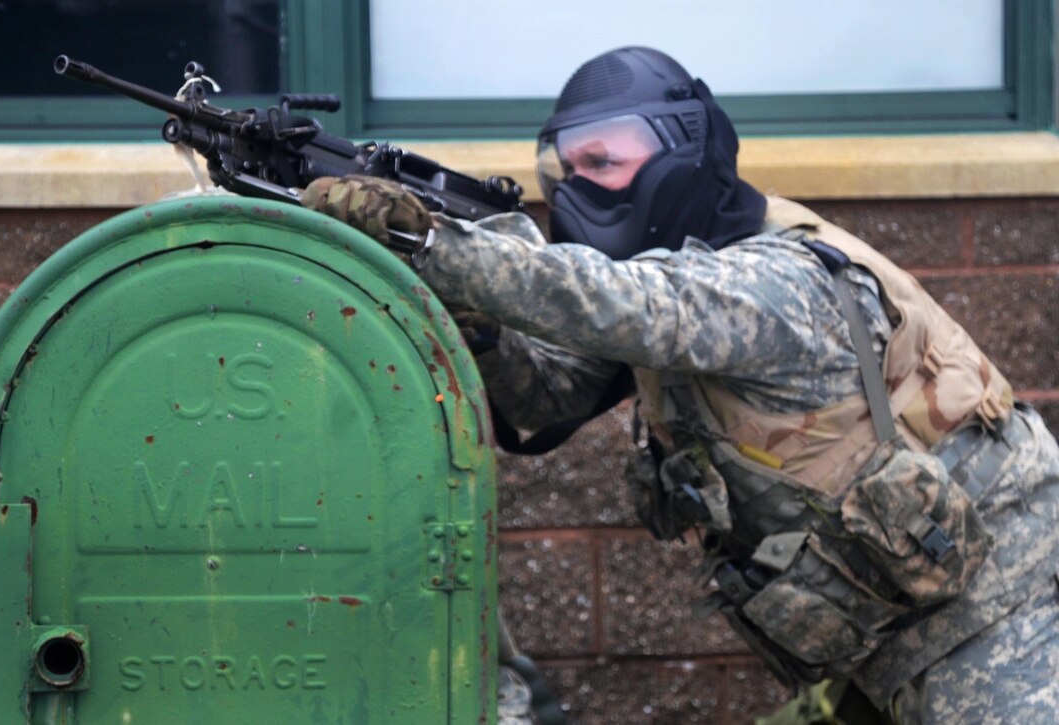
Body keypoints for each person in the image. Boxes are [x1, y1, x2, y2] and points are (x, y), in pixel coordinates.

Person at [301, 47, 1059, 723]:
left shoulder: (773, 281)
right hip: (891, 645)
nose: (575, 192)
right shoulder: (672, 285)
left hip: (1009, 617)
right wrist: (479, 324)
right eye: (565, 170)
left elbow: (634, 305)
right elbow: (545, 399)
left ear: (683, 154)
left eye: (603, 163)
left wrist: (433, 243)